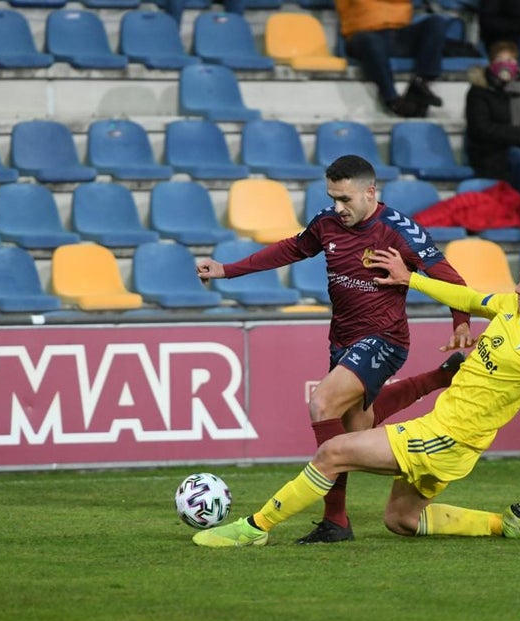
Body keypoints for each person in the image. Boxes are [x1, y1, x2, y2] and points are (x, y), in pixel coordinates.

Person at [194, 242, 520, 548]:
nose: (517, 288)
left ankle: (254, 529)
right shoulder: (510, 308)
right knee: (401, 520)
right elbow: (468, 299)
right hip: (448, 439)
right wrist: (410, 279)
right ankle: (504, 524)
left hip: (448, 439)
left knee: (332, 452)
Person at [195, 155, 474, 544]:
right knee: (355, 432)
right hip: (342, 339)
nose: (338, 208)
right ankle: (441, 376)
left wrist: (461, 322)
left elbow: (451, 279)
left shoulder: (400, 231)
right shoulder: (327, 221)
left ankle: (334, 521)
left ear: (370, 192)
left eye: (345, 199)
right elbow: (291, 249)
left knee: (322, 404)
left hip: (385, 339)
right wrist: (228, 269)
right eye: (333, 197)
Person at [465, 40, 520, 194]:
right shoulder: (480, 90)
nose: (505, 64)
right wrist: (519, 138)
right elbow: (481, 128)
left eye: (510, 60)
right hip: (491, 150)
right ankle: (517, 203)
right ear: (491, 63)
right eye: (500, 60)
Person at [336, 0, 448, 118]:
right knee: (371, 42)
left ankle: (421, 84)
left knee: (436, 23)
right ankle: (393, 100)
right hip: (363, 34)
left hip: (399, 34)